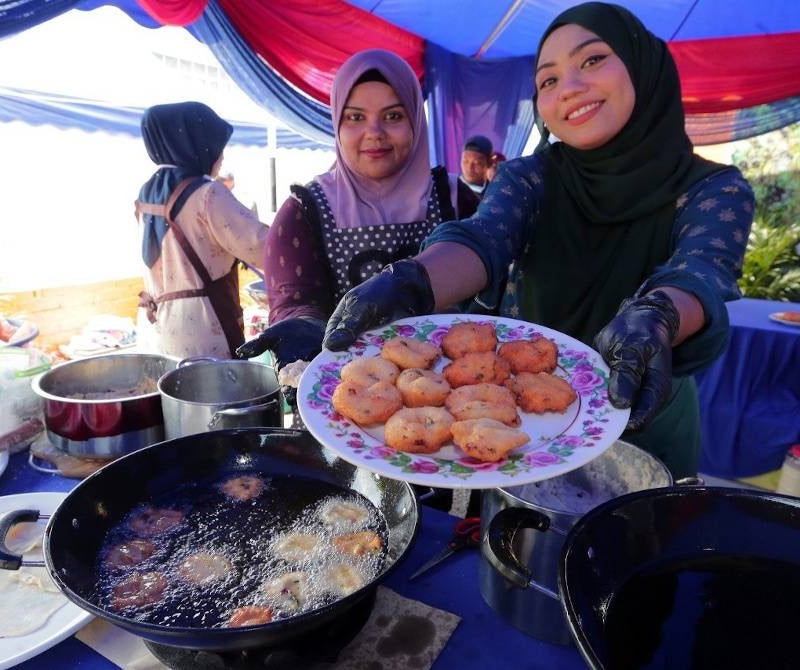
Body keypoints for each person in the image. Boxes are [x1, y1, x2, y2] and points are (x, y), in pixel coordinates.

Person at [321, 2, 753, 479]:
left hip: (645, 417)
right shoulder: (529, 177)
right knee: (518, 547)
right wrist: (411, 280)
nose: (568, 87)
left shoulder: (715, 189)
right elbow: (484, 239)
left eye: (592, 60)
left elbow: (700, 272)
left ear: (642, 66)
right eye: (547, 80)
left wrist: (658, 316)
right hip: (522, 434)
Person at [236, 48, 457, 510]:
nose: (373, 133)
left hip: (439, 420)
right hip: (345, 419)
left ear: (416, 121)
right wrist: (304, 324)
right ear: (336, 123)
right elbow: (294, 297)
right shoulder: (304, 211)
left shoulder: (455, 198)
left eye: (393, 115)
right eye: (355, 117)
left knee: (429, 526)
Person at [135, 101, 269, 360]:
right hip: (207, 329)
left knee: (179, 397)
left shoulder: (147, 192)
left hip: (162, 325)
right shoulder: (207, 193)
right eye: (218, 147)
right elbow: (263, 247)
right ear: (197, 145)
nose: (221, 157)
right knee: (219, 397)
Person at [456, 135, 493, 218]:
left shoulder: (493, 195)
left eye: (477, 163)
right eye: (465, 161)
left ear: (489, 163)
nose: (470, 168)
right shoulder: (451, 188)